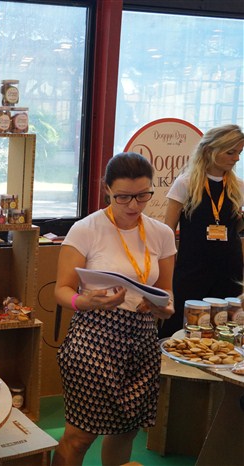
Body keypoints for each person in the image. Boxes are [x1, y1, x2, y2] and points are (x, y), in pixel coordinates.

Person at [53, 152, 176, 466]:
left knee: (125, 431)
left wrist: (164, 307)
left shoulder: (161, 233)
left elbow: (166, 289)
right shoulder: (86, 229)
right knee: (80, 435)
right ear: (106, 188)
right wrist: (86, 302)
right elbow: (62, 290)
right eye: (123, 197)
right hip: (94, 338)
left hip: (143, 340)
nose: (133, 205)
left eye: (143, 195)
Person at [160, 124, 244, 339]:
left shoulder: (239, 186)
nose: (236, 159)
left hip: (229, 270)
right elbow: (167, 232)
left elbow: (236, 229)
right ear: (209, 150)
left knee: (225, 331)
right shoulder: (185, 183)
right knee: (179, 330)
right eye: (231, 152)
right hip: (192, 270)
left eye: (239, 153)